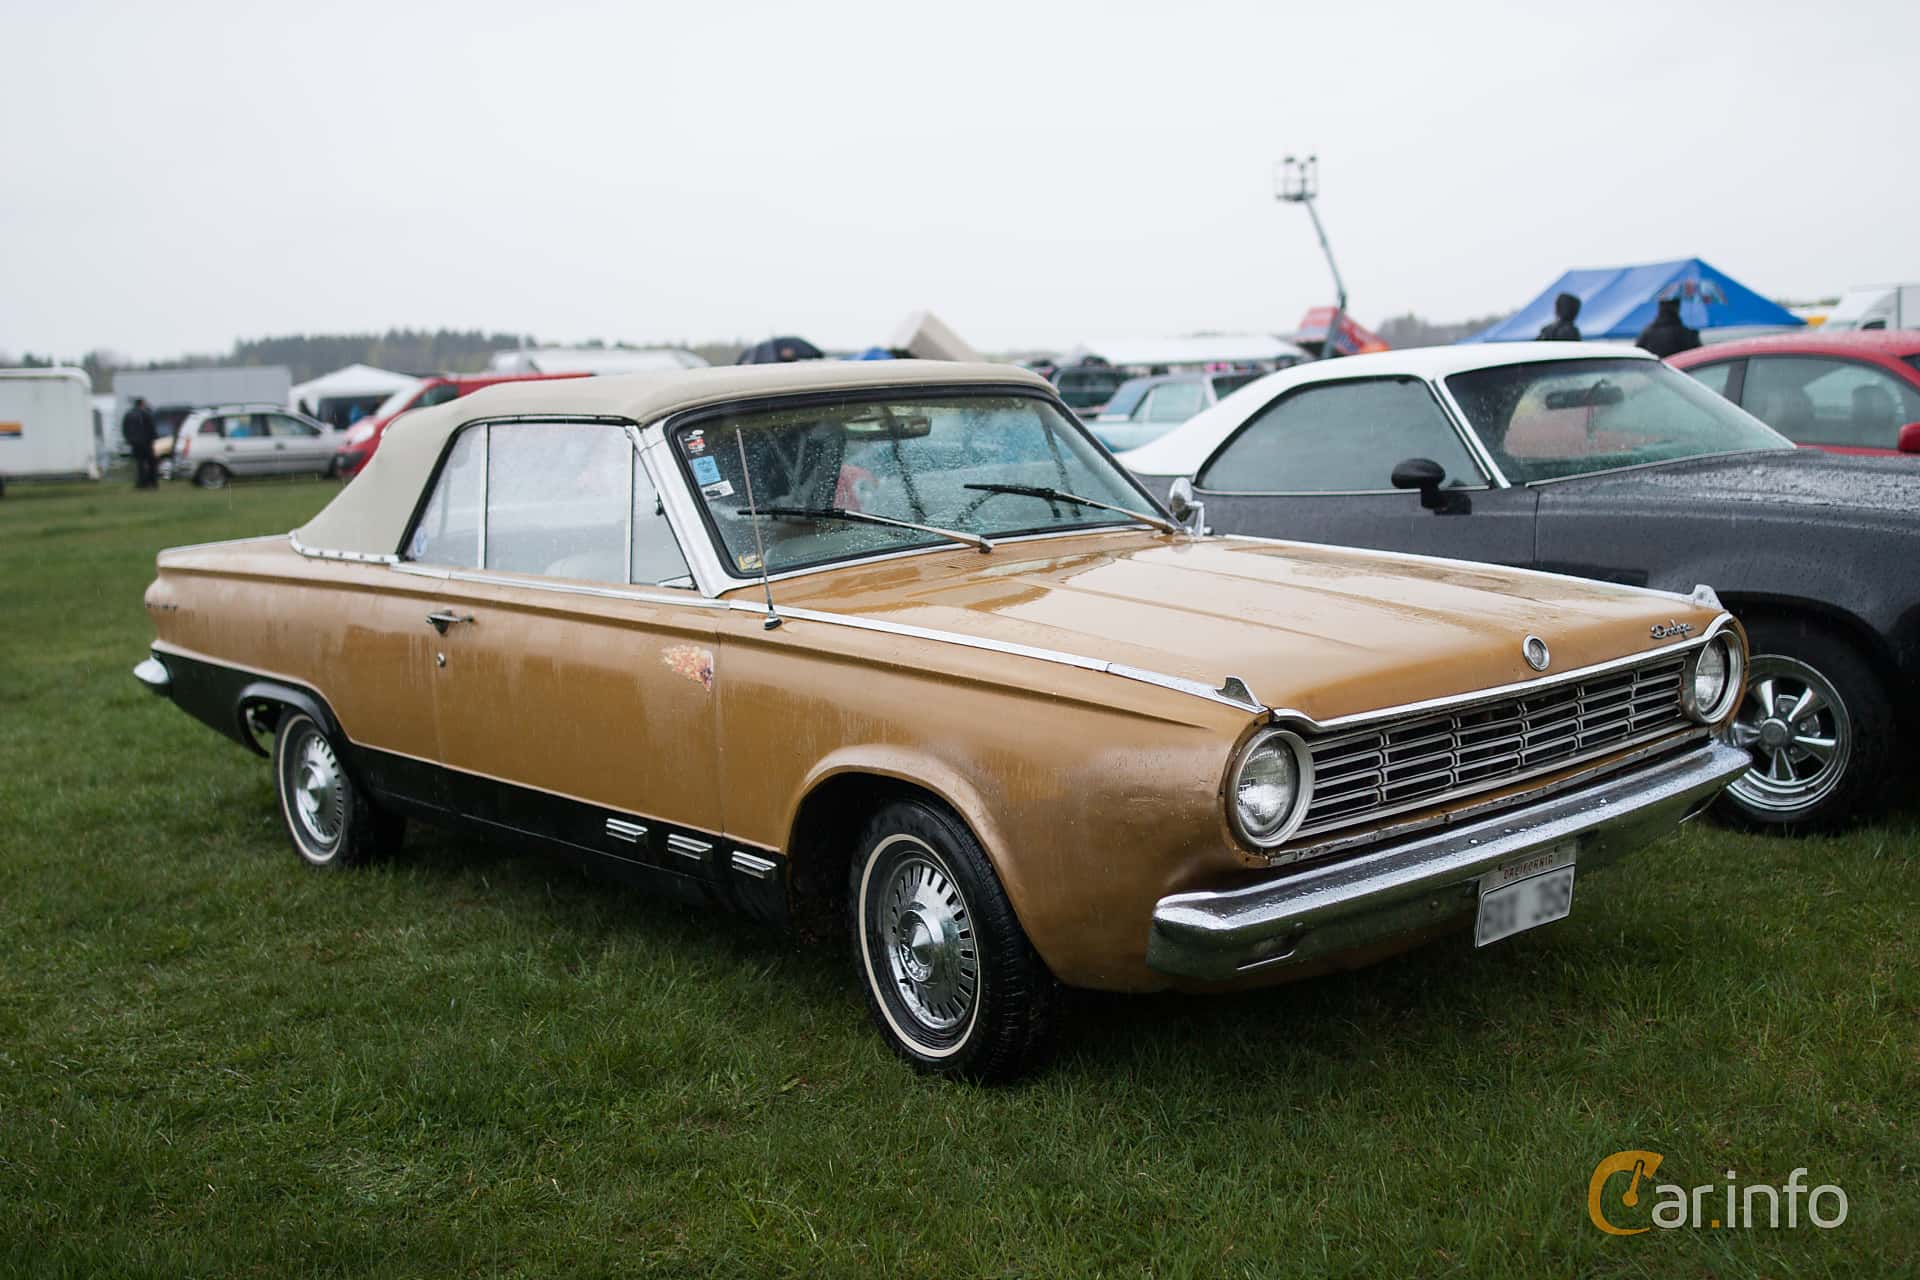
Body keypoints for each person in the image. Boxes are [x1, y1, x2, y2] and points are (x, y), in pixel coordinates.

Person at [1635, 296, 1702, 358]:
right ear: (1677, 307)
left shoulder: (1646, 333)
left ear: (1660, 307)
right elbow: (1699, 359)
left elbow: (1638, 357)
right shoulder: (1687, 334)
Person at [121, 397, 158, 489]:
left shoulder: (128, 414)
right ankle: (152, 482)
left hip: (135, 443)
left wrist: (129, 440)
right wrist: (154, 439)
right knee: (152, 463)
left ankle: (141, 483)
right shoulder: (146, 414)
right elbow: (151, 428)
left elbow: (124, 429)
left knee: (140, 464)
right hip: (146, 442)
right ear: (142, 404)